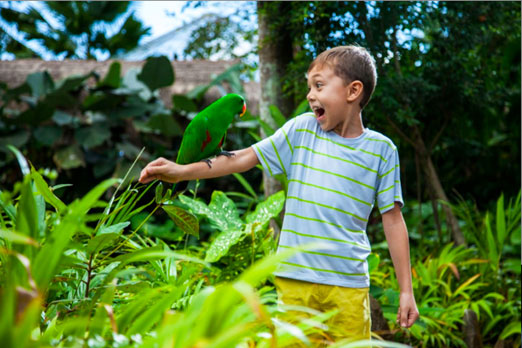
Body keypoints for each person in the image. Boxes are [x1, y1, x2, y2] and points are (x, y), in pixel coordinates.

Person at [139, 45, 419, 344]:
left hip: (348, 285)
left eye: (319, 85)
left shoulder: (382, 150)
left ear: (353, 91)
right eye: (309, 86)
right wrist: (180, 171)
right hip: (295, 281)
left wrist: (406, 291)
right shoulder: (302, 130)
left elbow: (392, 219)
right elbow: (243, 158)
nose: (311, 94)